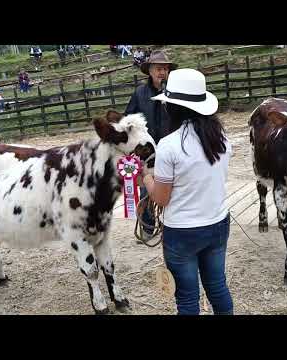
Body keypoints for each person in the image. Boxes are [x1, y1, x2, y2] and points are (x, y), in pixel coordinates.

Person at [139, 68, 233, 315]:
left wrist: (146, 179)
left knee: (188, 298)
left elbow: (161, 198)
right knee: (218, 287)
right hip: (217, 221)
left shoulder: (169, 146)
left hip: (182, 230)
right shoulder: (221, 137)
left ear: (173, 107)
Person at [125, 51, 177, 242]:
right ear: (150, 71)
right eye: (159, 68)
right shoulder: (140, 93)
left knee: (171, 188)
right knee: (147, 189)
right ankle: (147, 227)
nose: (163, 72)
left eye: (166, 68)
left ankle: (169, 226)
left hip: (171, 148)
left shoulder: (174, 92)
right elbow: (128, 118)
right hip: (147, 151)